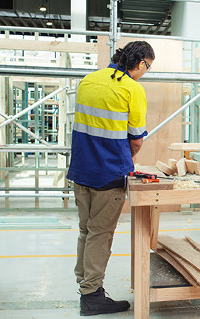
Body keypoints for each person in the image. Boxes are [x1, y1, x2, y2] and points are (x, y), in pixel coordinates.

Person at [66, 41, 155, 316]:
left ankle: (84, 284)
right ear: (140, 63)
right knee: (100, 233)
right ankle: (92, 295)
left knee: (86, 230)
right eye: (148, 68)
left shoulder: (88, 80)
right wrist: (128, 159)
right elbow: (136, 141)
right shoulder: (131, 89)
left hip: (81, 169)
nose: (145, 73)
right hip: (109, 173)